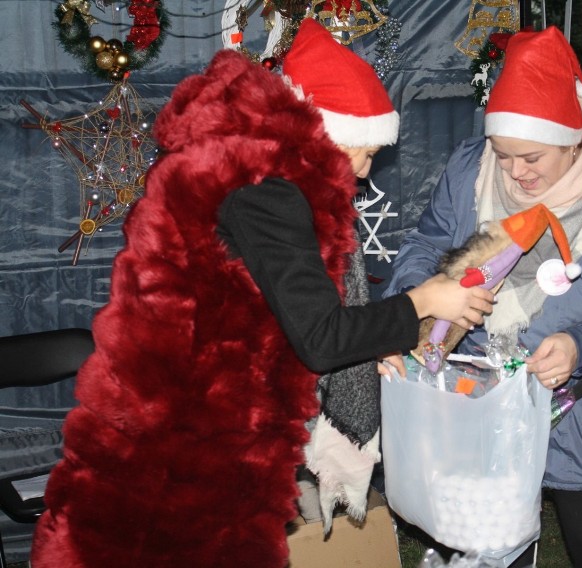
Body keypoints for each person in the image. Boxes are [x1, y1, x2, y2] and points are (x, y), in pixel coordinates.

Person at [31, 19, 493, 568]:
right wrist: (424, 302)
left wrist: (375, 340)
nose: (366, 174)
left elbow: (290, 308)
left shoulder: (244, 166)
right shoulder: (268, 195)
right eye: (365, 154)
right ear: (328, 134)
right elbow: (320, 339)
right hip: (193, 433)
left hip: (178, 411)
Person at [385, 26, 582, 568]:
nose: (515, 173)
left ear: (571, 139)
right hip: (478, 403)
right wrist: (424, 294)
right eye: (504, 156)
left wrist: (581, 346)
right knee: (488, 542)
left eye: (531, 158)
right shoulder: (470, 167)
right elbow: (427, 242)